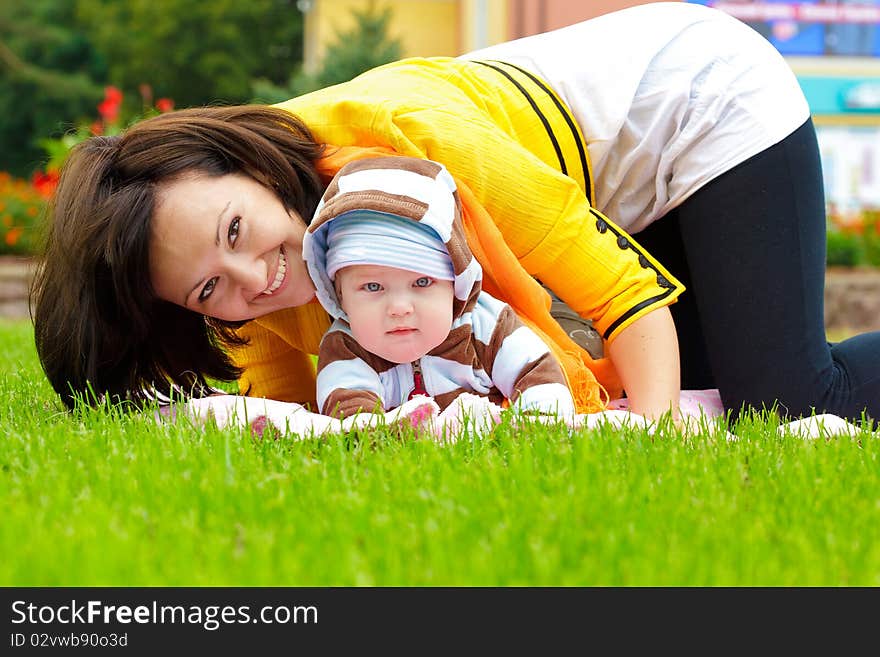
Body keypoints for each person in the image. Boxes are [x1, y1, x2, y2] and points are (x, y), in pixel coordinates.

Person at [30, 2, 880, 426]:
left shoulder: (413, 144)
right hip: (616, 173)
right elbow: (311, 419)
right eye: (210, 290)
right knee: (716, 392)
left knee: (789, 398)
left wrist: (645, 447)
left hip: (701, 98)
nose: (259, 280)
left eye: (237, 233)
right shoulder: (255, 276)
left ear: (245, 165)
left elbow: (623, 294)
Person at [303, 155, 577, 419]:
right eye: (373, 286)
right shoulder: (346, 347)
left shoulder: (486, 326)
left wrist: (538, 423)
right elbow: (354, 421)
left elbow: (537, 374)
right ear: (340, 295)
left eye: (422, 282)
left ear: (455, 282)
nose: (399, 308)